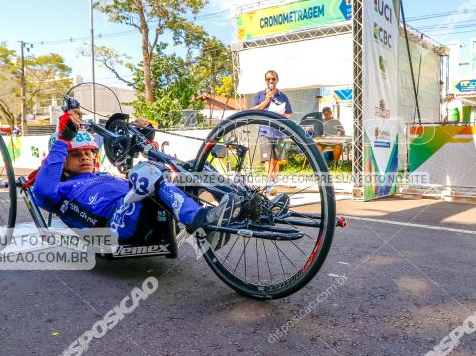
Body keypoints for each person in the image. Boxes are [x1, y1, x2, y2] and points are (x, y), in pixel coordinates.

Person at [32, 109, 236, 247]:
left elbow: (144, 178)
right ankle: (201, 222)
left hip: (145, 211)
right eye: (76, 154)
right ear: (62, 160)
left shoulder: (102, 175)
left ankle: (243, 207)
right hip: (115, 224)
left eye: (88, 152)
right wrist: (63, 140)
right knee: (145, 171)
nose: (85, 156)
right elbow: (41, 192)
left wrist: (143, 137)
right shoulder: (61, 189)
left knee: (194, 168)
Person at [249, 70, 292, 180]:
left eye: (273, 78)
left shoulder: (283, 96)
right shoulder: (260, 95)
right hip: (265, 131)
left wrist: (285, 116)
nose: (271, 81)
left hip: (279, 132)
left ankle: (274, 180)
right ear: (265, 81)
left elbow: (289, 113)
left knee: (276, 159)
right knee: (267, 158)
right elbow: (252, 111)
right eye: (268, 79)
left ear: (277, 80)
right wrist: (266, 101)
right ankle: (269, 181)